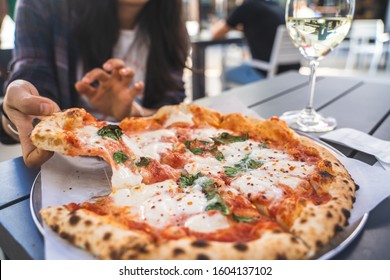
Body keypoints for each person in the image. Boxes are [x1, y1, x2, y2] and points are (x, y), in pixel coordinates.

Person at [0, 0, 190, 167]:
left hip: (156, 175)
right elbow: (32, 94)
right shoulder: (44, 5)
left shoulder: (170, 23)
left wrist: (133, 113)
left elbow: (175, 113)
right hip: (64, 173)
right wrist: (16, 114)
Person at [212, 0, 299, 80]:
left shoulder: (247, 7)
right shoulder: (278, 7)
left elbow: (216, 34)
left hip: (265, 73)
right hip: (290, 73)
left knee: (226, 74)